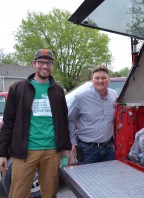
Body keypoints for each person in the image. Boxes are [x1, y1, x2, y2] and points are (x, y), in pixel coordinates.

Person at [0, 49, 72, 197]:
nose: (45, 66)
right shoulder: (18, 89)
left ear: (52, 66)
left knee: (50, 193)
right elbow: (8, 123)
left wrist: (66, 147)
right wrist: (2, 153)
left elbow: (63, 120)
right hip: (25, 151)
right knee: (17, 194)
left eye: (49, 63)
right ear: (34, 64)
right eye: (41, 62)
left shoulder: (58, 90)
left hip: (52, 151)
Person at [68, 65, 118, 164]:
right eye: (97, 78)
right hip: (87, 150)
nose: (100, 81)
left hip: (109, 148)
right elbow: (70, 120)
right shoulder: (80, 98)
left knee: (110, 178)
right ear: (92, 80)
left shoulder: (114, 95)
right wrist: (73, 142)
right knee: (87, 179)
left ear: (109, 80)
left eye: (104, 78)